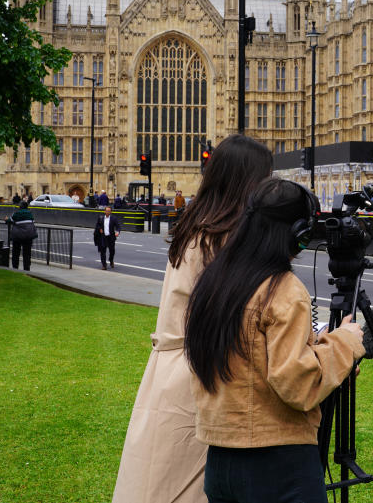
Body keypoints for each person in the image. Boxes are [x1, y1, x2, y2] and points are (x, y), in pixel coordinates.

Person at [112, 134, 276, 503]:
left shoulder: (198, 227)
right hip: (203, 374)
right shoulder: (223, 239)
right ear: (246, 182)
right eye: (265, 178)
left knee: (157, 477)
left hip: (171, 370)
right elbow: (245, 320)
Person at [183, 177, 364, 503]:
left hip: (220, 461)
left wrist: (315, 346)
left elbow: (246, 360)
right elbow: (296, 382)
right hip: (279, 461)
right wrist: (344, 343)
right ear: (298, 233)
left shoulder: (213, 281)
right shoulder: (282, 288)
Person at [6, 201, 36, 270]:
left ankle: (15, 268)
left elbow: (9, 221)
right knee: (27, 254)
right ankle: (27, 269)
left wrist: (6, 219)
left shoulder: (17, 214)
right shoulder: (30, 214)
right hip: (28, 236)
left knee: (16, 253)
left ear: (20, 207)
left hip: (18, 236)